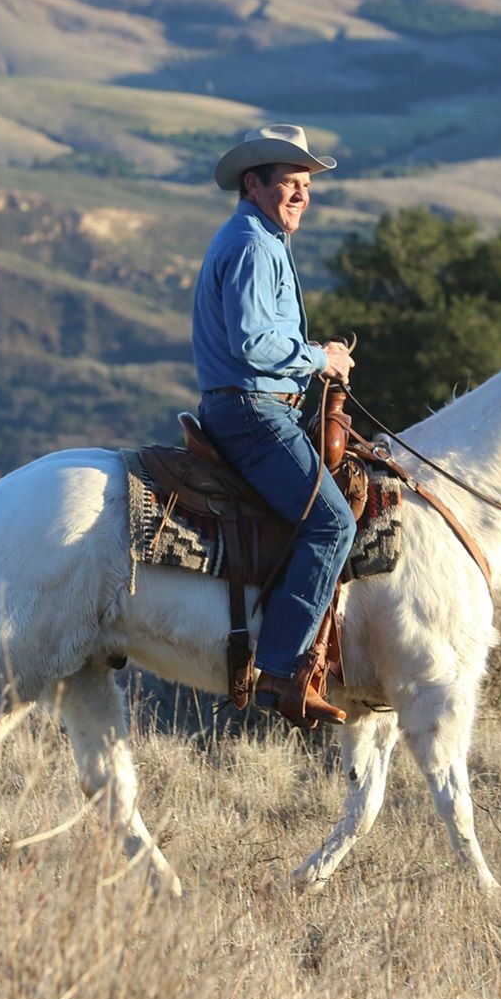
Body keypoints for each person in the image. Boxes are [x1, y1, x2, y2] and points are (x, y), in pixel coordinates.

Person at [191, 124, 355, 727]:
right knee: (332, 522)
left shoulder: (259, 238)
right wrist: (322, 358)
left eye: (306, 185)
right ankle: (281, 670)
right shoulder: (256, 246)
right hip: (253, 412)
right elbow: (255, 343)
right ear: (252, 184)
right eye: (289, 183)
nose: (301, 195)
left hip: (253, 405)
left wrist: (317, 354)